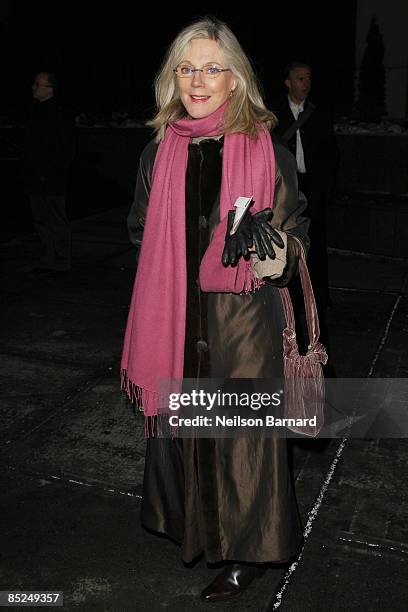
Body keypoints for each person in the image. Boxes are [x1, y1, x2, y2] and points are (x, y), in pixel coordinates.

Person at [122, 18, 309, 603]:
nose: (197, 79)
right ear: (171, 79)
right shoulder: (159, 152)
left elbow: (296, 229)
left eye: (211, 67)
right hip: (178, 324)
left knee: (244, 445)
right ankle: (200, 534)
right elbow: (137, 229)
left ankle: (247, 554)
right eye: (186, 67)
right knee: (190, 438)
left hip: (244, 326)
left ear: (235, 79)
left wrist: (277, 251)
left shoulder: (266, 150)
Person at [272, 61, 338, 311]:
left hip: (313, 187)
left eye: (308, 79)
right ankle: (288, 298)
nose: (306, 84)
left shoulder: (318, 113)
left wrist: (326, 190)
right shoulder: (274, 113)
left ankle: (319, 298)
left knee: (317, 244)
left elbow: (331, 154)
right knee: (286, 241)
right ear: (288, 83)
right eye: (300, 79)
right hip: (286, 189)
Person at [21, 71, 75, 277]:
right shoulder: (35, 112)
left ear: (49, 89)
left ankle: (61, 261)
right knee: (41, 219)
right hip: (35, 178)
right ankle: (47, 258)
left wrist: (51, 172)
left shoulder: (59, 114)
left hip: (53, 179)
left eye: (38, 85)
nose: (34, 88)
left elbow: (65, 149)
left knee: (55, 219)